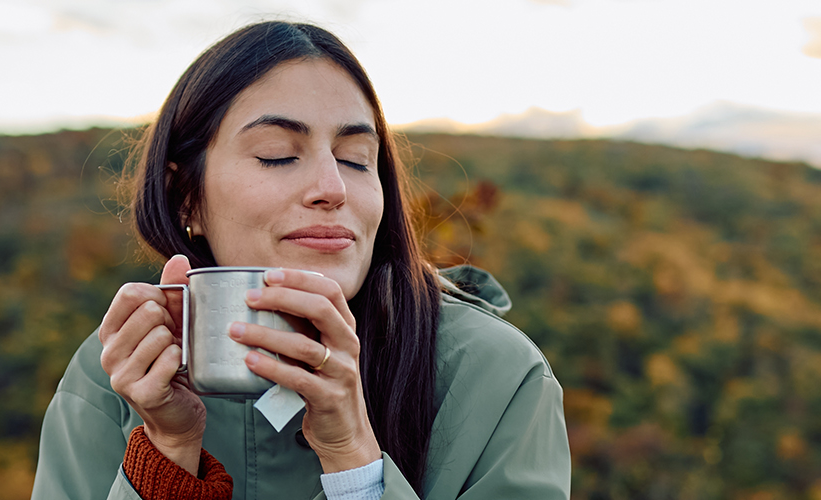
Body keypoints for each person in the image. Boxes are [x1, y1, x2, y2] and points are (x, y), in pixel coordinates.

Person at [30, 21, 570, 500]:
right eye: (278, 155)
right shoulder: (115, 375)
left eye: (356, 159)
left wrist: (353, 458)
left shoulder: (497, 378)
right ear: (184, 195)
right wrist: (168, 453)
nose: (333, 188)